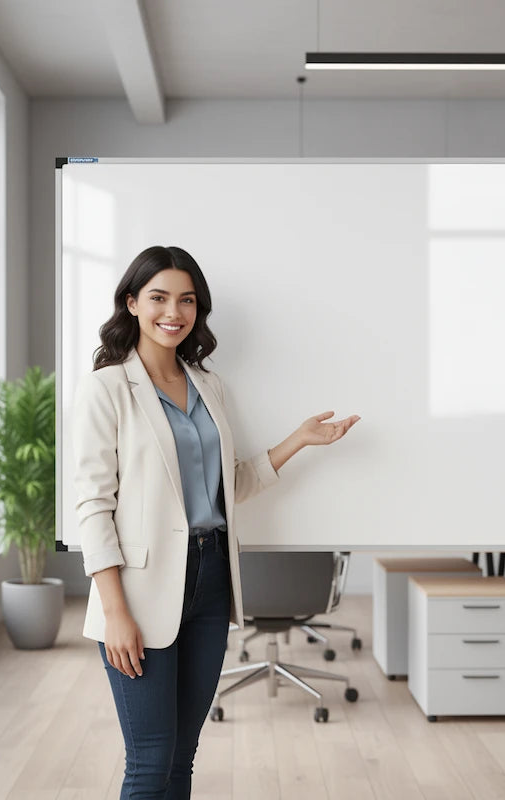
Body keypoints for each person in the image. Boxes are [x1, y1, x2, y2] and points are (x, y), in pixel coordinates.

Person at [71, 245, 359, 799]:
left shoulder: (208, 384)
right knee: (150, 761)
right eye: (158, 298)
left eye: (186, 300)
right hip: (140, 589)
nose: (172, 313)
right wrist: (115, 612)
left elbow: (229, 485)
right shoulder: (106, 388)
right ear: (132, 303)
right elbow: (92, 505)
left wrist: (297, 441)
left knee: (182, 757)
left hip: (209, 580)